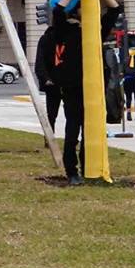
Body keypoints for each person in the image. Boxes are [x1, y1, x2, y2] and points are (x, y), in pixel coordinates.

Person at [37, 10, 86, 182]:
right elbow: (41, 61)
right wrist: (47, 79)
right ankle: (49, 139)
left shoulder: (78, 36)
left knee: (73, 122)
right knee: (54, 114)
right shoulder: (49, 38)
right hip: (55, 84)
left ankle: (80, 165)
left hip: (68, 83)